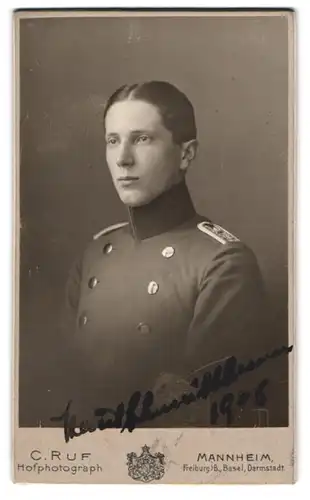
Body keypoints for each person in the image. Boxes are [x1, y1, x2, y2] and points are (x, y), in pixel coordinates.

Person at [61, 81, 273, 429]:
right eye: (113, 140)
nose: (123, 158)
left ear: (186, 154)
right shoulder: (95, 255)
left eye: (142, 139)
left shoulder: (222, 262)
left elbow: (208, 413)